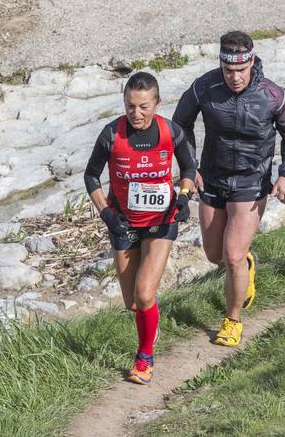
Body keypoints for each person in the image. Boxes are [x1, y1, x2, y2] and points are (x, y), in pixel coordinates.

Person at [173, 31, 285, 347]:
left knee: (231, 255)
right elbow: (180, 125)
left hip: (251, 182)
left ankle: (232, 320)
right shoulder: (205, 87)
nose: (235, 78)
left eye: (241, 71)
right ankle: (247, 266)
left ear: (252, 62)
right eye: (229, 71)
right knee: (215, 254)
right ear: (221, 64)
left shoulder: (273, 95)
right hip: (213, 179)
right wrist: (190, 169)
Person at [84, 71, 197, 385]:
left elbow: (188, 168)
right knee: (133, 302)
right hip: (123, 222)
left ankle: (144, 358)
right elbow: (91, 177)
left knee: (145, 293)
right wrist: (106, 214)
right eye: (130, 106)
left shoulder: (169, 132)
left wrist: (185, 197)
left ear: (157, 103)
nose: (137, 113)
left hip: (162, 221)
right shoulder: (111, 134)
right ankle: (150, 316)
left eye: (144, 106)